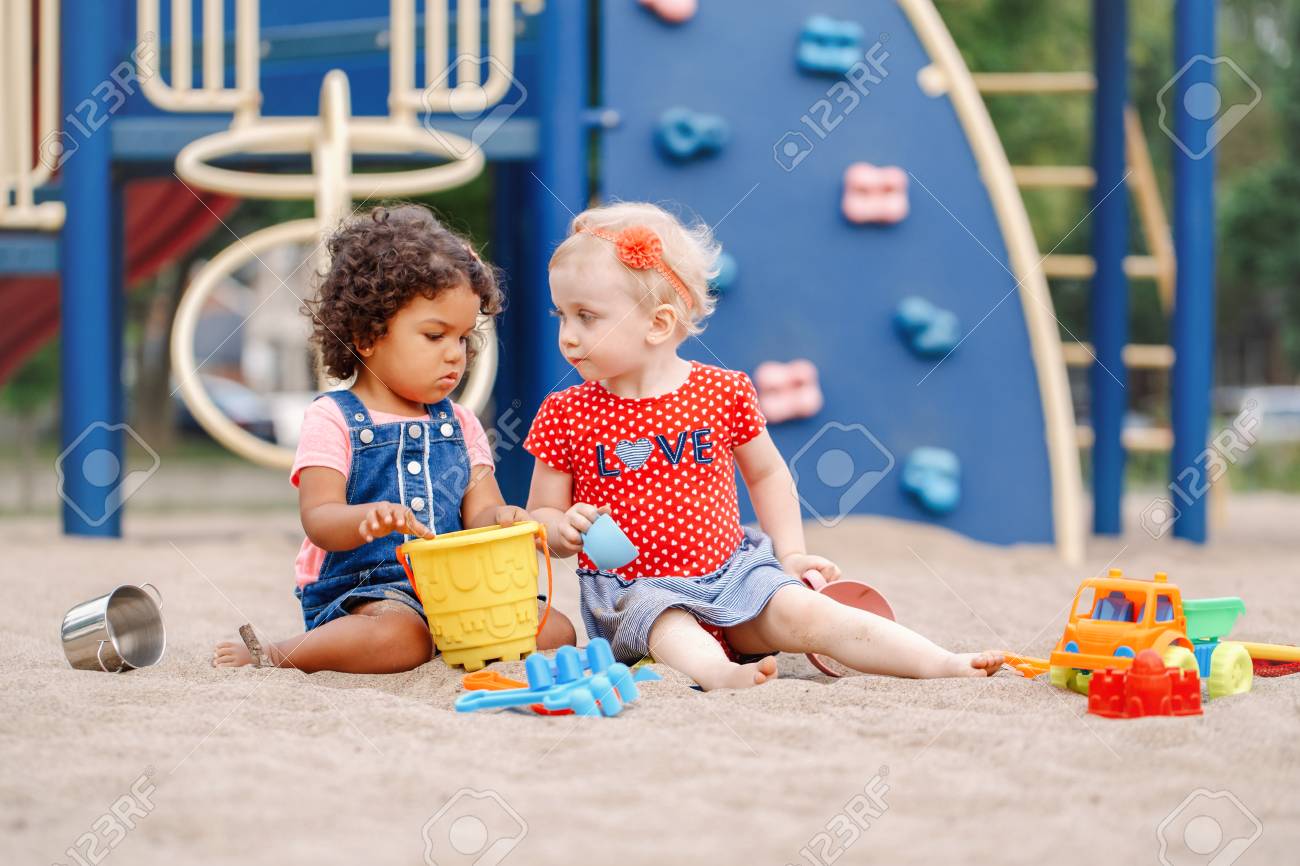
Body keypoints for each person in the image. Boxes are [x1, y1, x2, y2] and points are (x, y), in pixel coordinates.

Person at [522, 202, 1001, 690]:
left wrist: (790, 555)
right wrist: (562, 529)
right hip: (635, 595)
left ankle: (940, 662)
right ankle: (720, 674)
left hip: (734, 576)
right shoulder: (565, 412)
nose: (567, 337)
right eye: (561, 315)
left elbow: (767, 474)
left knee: (810, 613)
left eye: (586, 317)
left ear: (659, 323)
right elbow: (540, 513)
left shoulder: (723, 391)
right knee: (670, 626)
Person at [214, 204, 575, 673]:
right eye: (435, 336)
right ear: (368, 335)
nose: (455, 355)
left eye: (463, 338)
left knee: (555, 630)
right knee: (399, 637)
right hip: (366, 593)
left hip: (458, 589)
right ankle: (281, 653)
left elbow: (481, 513)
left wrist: (502, 519)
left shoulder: (461, 423)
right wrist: (367, 519)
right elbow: (319, 518)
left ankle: (449, 639)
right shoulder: (334, 418)